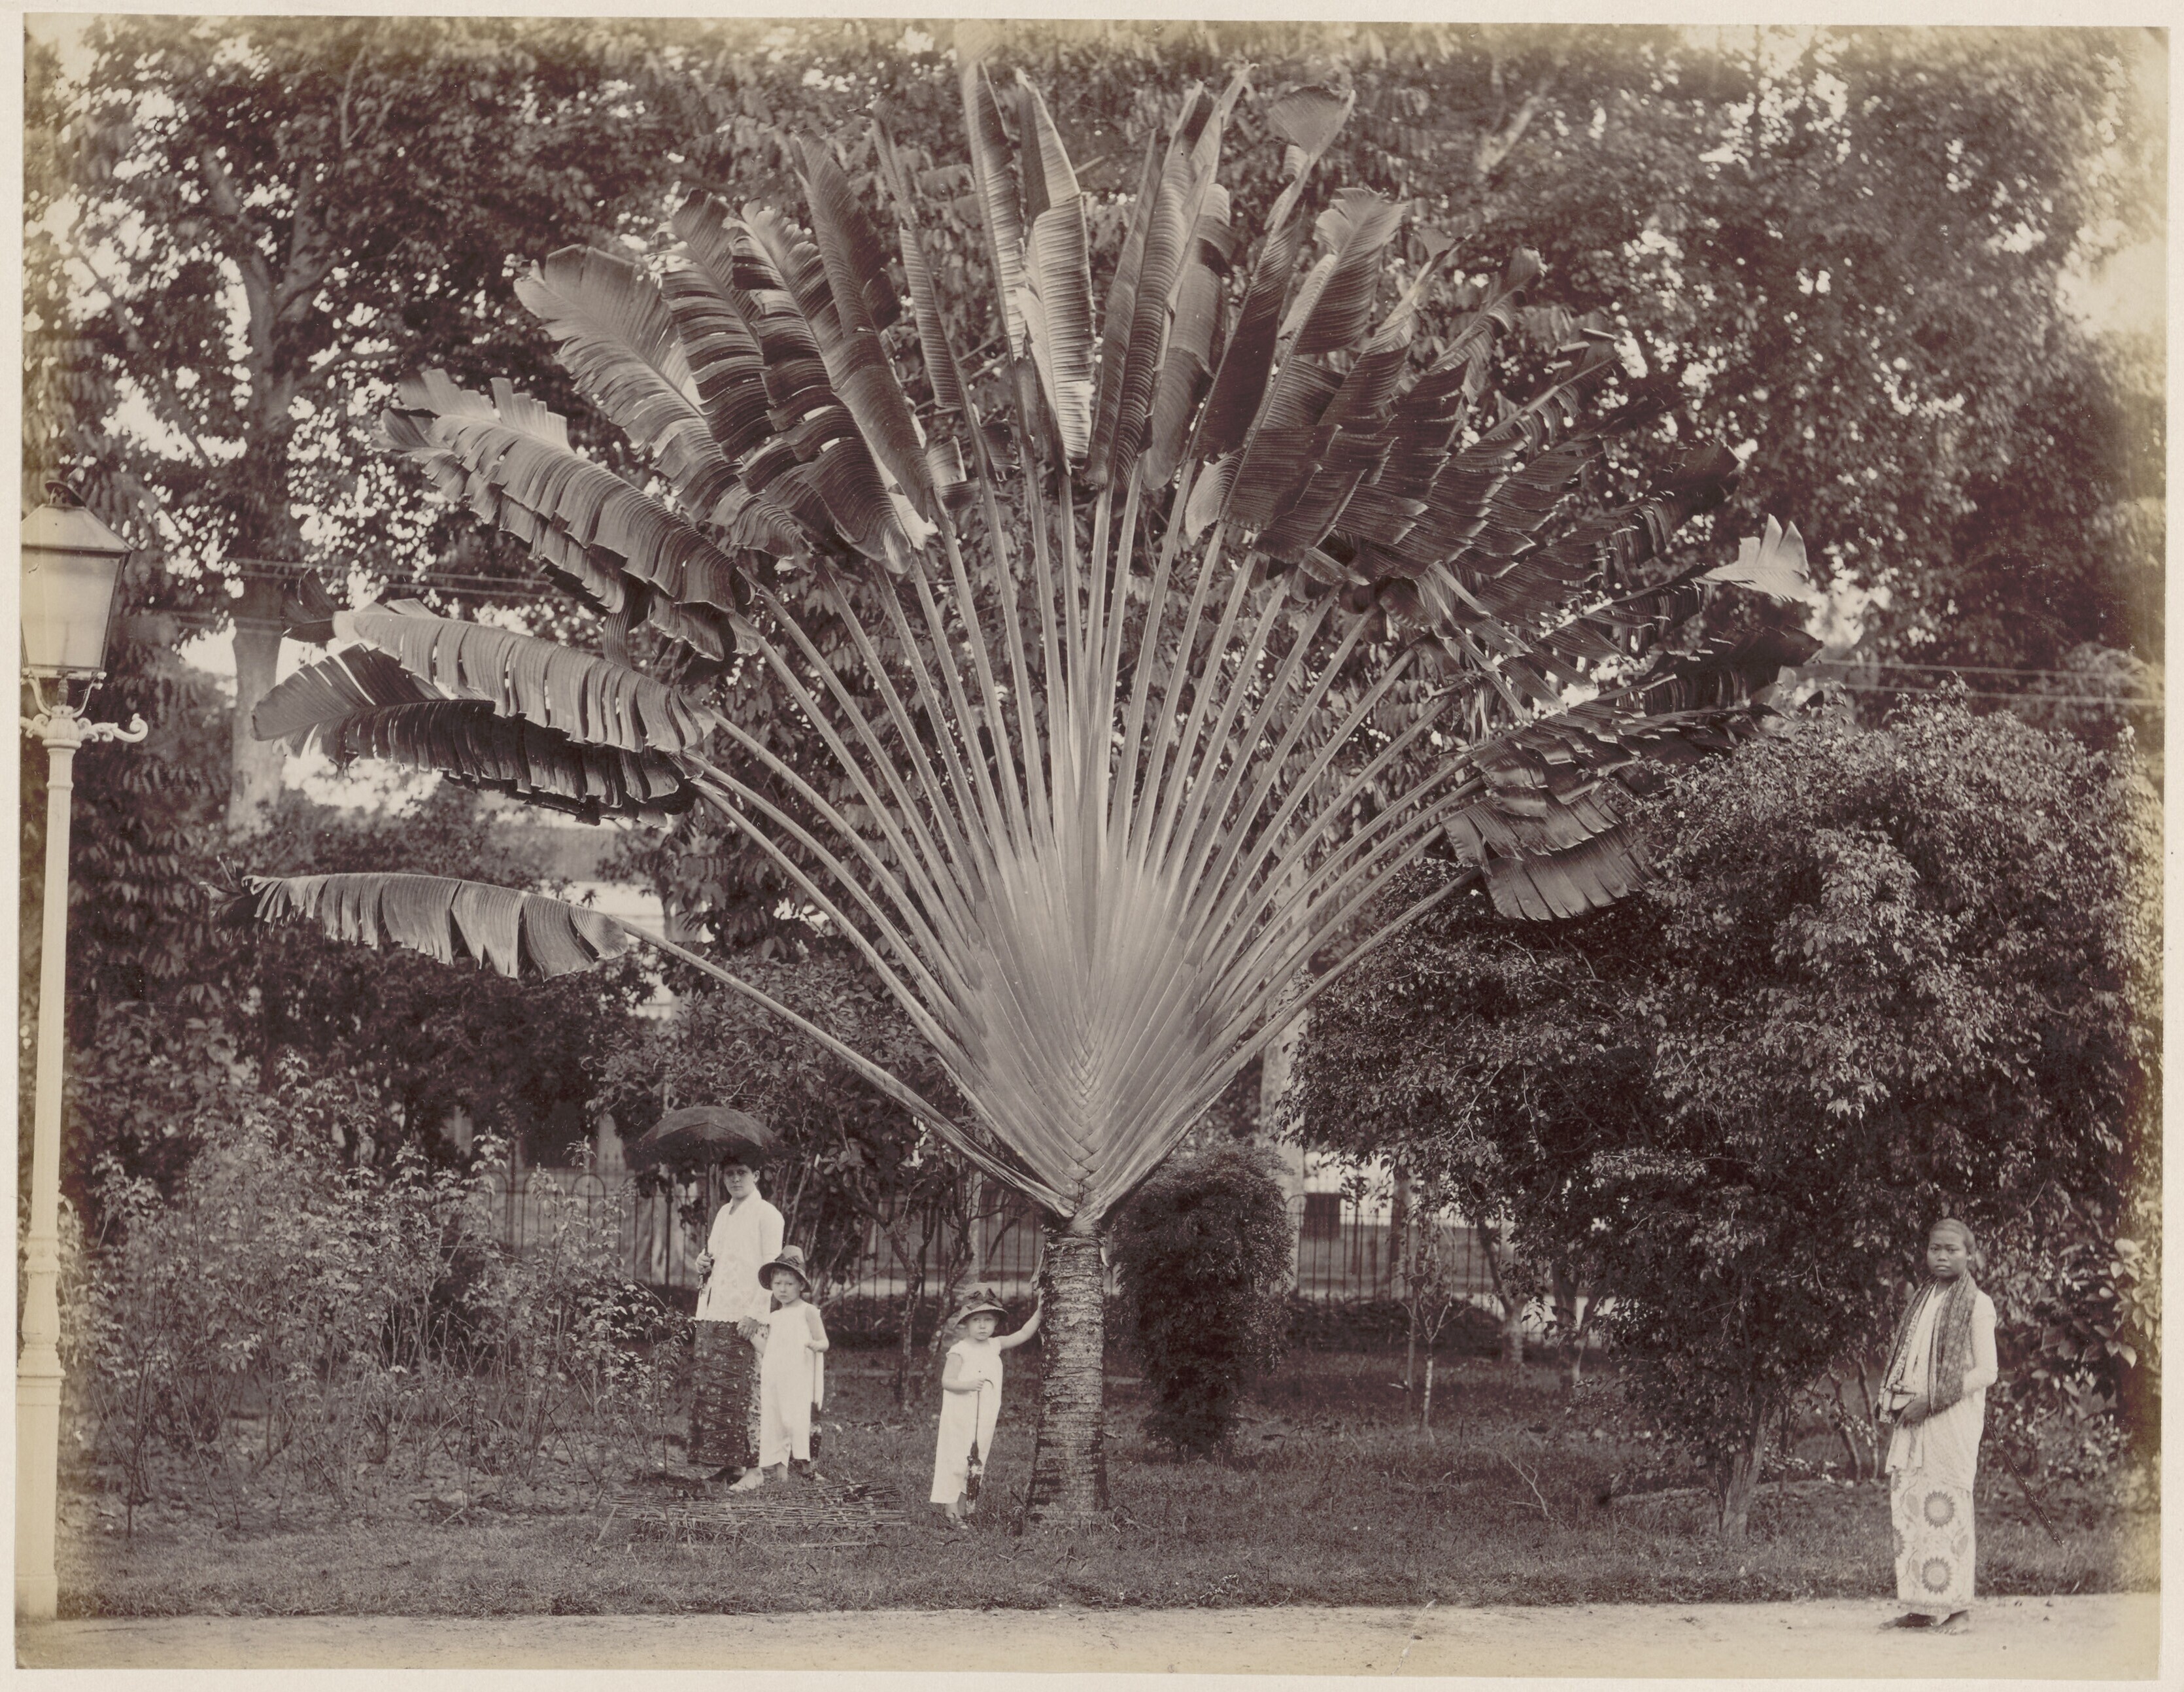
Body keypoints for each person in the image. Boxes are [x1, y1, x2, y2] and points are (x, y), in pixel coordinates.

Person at [1879, 1217, 1999, 1634]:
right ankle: (1921, 1607)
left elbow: (1987, 1371)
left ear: (1970, 1255)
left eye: (1952, 1249)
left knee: (1946, 1506)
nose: (1942, 1256)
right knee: (1912, 1505)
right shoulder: (1922, 1299)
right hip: (1914, 1417)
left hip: (1950, 1420)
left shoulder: (1978, 1304)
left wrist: (1932, 1401)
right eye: (1935, 1249)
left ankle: (1959, 1609)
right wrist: (1903, 1398)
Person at [690, 1158, 781, 1481]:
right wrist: (703, 1263)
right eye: (729, 1174)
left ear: (756, 1175)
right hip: (716, 1311)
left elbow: (772, 1269)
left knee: (748, 1391)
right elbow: (716, 1258)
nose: (735, 1180)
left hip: (746, 1315)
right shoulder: (722, 1215)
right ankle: (732, 1465)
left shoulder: (768, 1215)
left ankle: (755, 1470)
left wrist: (756, 1314)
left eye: (742, 1173)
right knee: (720, 1392)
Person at [930, 1284, 1042, 1527]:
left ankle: (963, 1509)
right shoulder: (959, 1350)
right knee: (956, 1459)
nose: (982, 1326)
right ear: (966, 1323)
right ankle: (951, 1511)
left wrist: (1041, 1310)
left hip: (984, 1416)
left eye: (988, 1320)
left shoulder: (995, 1344)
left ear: (996, 1323)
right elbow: (947, 1381)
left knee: (975, 1461)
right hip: (960, 1416)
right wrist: (968, 1384)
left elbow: (1024, 1334)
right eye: (976, 1320)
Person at [734, 1246, 829, 1489]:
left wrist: (816, 1345)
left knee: (798, 1421)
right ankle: (781, 1476)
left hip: (799, 1377)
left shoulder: (808, 1312)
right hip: (777, 1377)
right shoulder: (774, 1317)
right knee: (778, 1421)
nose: (783, 1290)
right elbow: (769, 1350)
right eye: (778, 1284)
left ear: (801, 1285)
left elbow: (824, 1341)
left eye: (789, 1284)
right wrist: (750, 1336)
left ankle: (808, 1470)